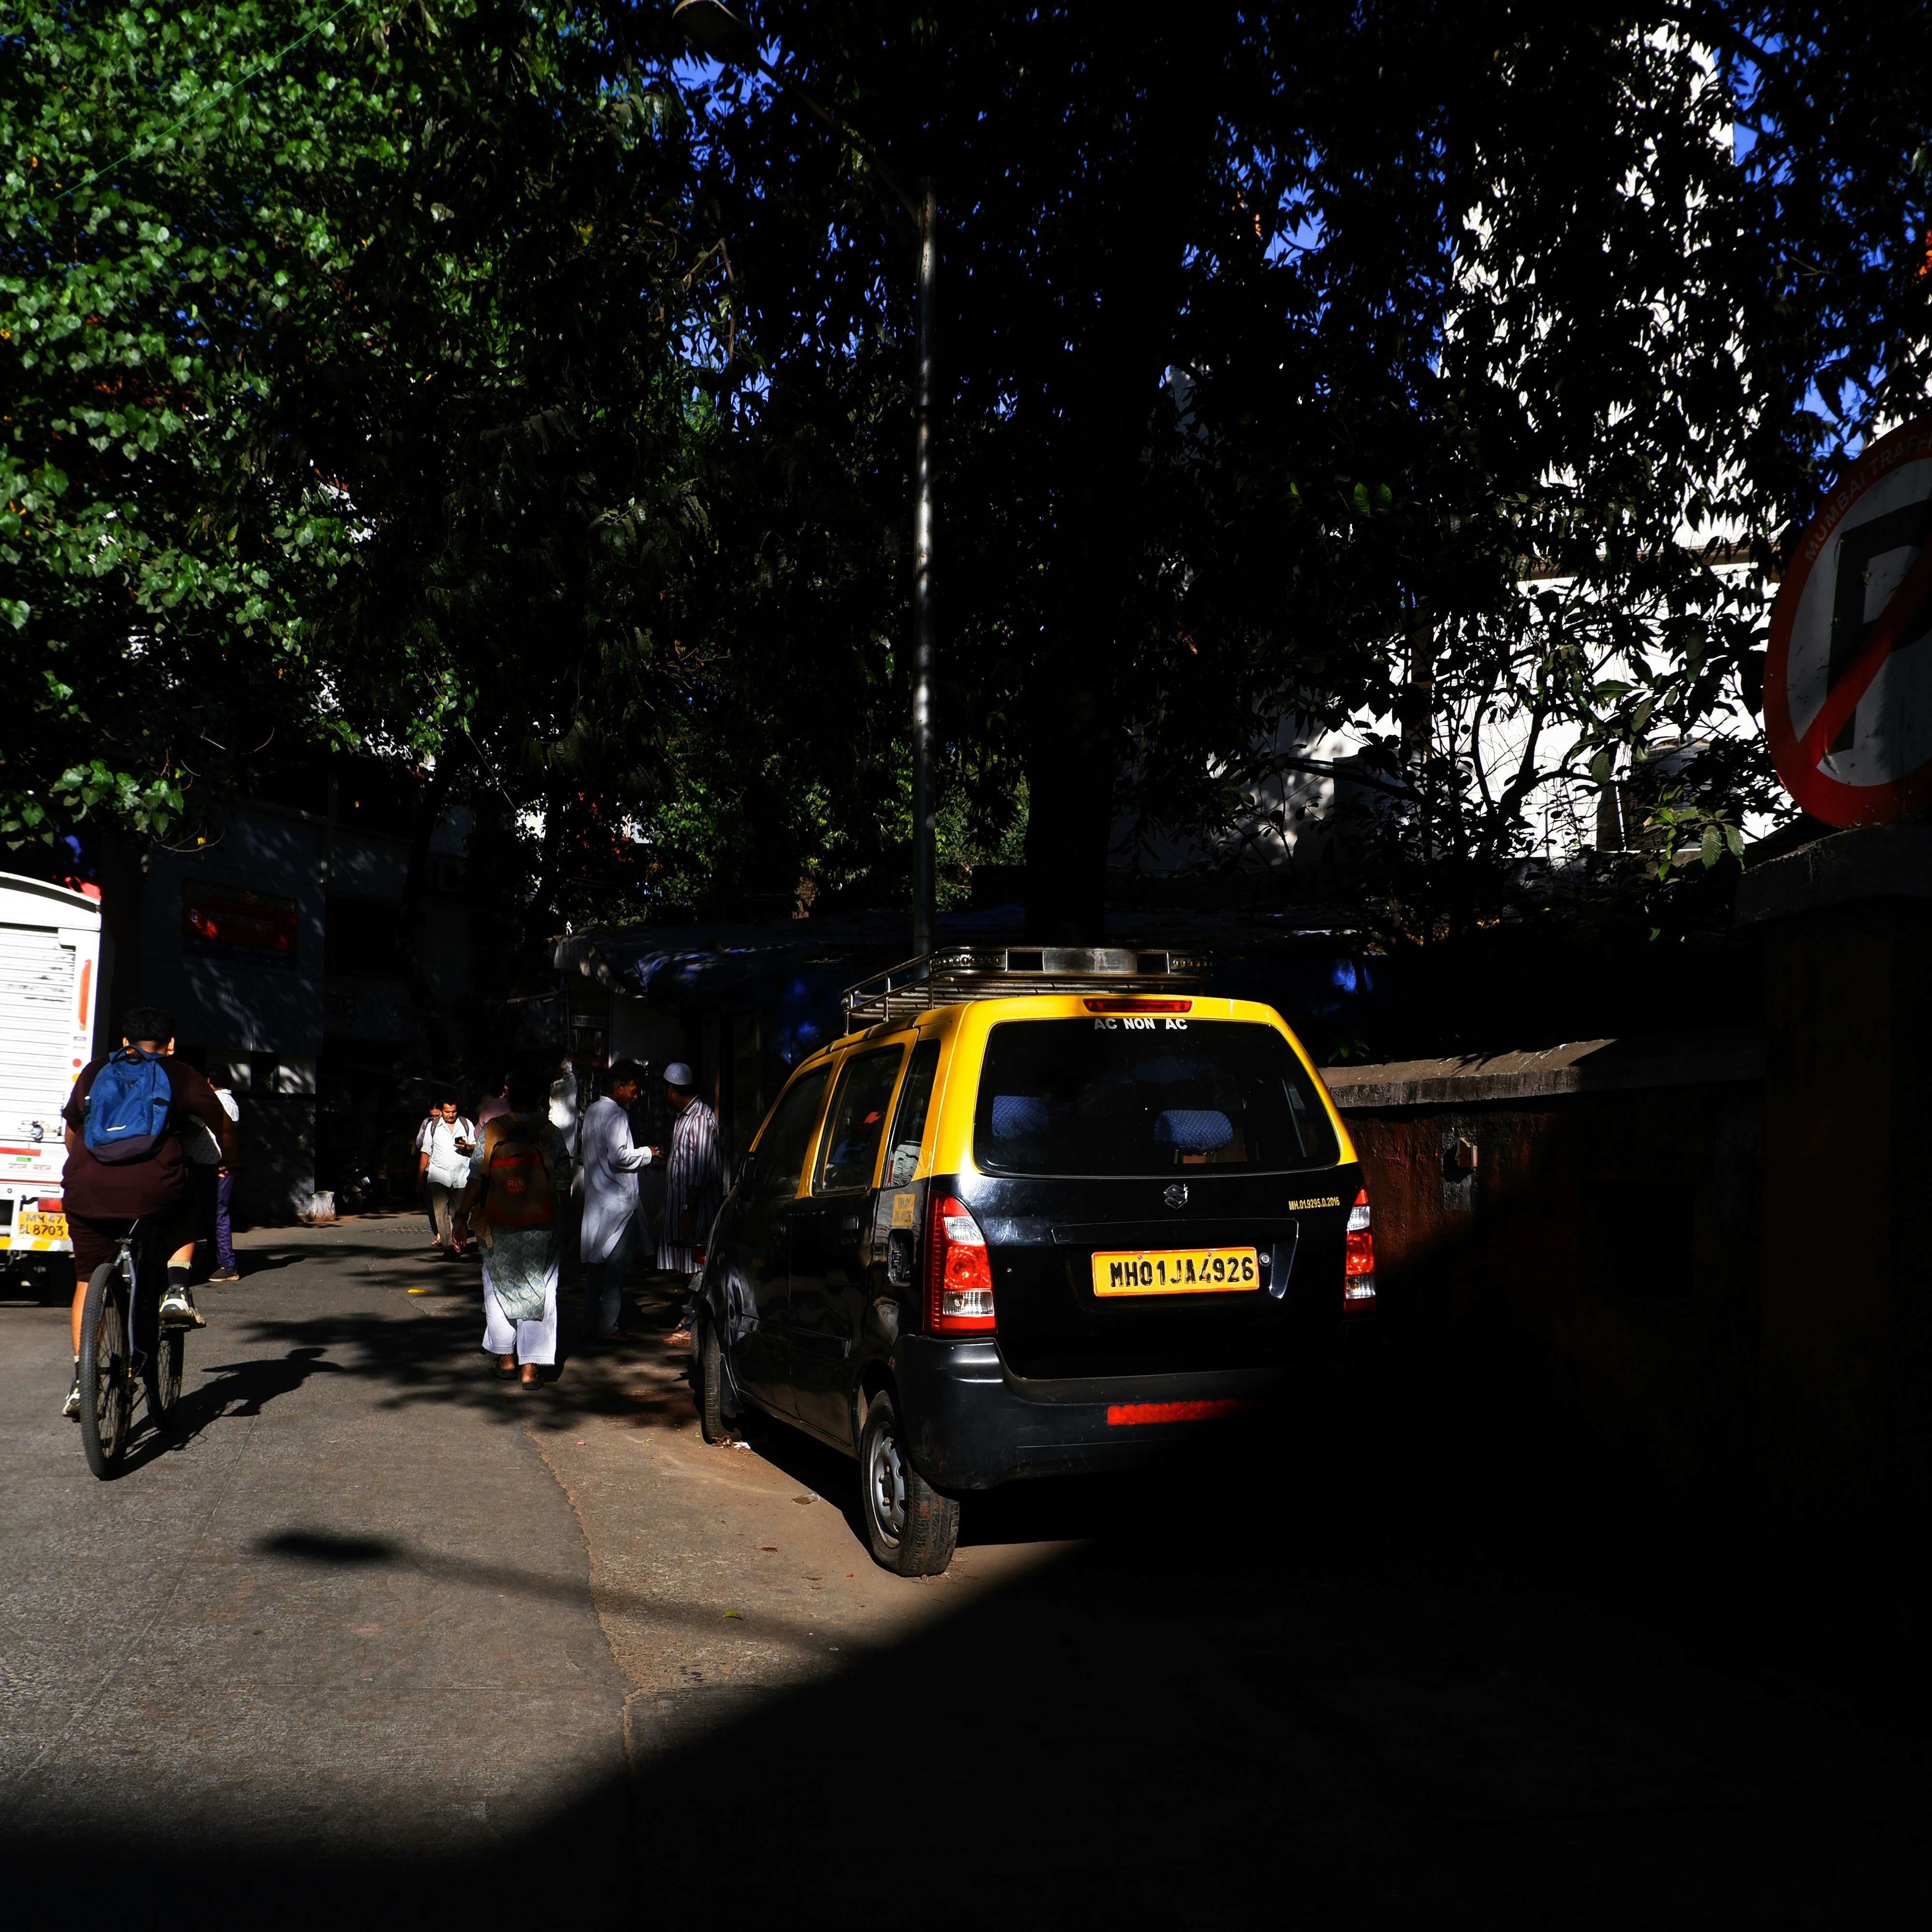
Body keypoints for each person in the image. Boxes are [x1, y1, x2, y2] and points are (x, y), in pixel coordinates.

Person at [58, 1006, 236, 1417]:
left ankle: (83, 1382)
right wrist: (230, 1160)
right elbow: (221, 1123)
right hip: (153, 1189)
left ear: (124, 1042)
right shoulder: (180, 1074)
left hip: (86, 1189)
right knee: (185, 1204)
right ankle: (176, 1290)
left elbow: (72, 1131)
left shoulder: (95, 1070)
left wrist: (89, 1166)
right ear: (171, 1045)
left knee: (87, 1278)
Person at [460, 1067, 569, 1388]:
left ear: (508, 1096)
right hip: (543, 1226)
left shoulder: (494, 1130)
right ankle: (530, 1371)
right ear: (539, 1098)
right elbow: (563, 1186)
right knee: (541, 1292)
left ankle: (506, 1360)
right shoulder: (550, 1134)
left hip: (499, 1225)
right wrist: (567, 1225)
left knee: (497, 1288)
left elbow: (475, 1178)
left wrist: (460, 1218)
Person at [578, 1060, 660, 1342]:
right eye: (634, 1091)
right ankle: (608, 1328)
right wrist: (648, 1153)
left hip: (599, 1202)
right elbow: (620, 1156)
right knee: (616, 1269)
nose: (636, 1097)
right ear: (619, 1087)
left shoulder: (592, 1111)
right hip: (618, 1206)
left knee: (596, 1267)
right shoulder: (616, 1115)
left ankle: (590, 1323)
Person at [659, 1062, 726, 1350]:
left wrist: (688, 1208)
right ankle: (690, 1318)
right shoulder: (684, 1116)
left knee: (699, 1267)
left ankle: (693, 1324)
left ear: (672, 1090)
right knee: (689, 1268)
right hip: (685, 1207)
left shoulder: (700, 1118)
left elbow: (698, 1169)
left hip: (696, 1209)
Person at [182, 1070, 242, 1283]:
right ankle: (215, 1261)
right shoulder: (231, 1102)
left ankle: (227, 1264)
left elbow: (192, 1130)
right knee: (214, 1215)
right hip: (221, 1165)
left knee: (217, 1215)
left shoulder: (212, 1102)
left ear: (209, 1082)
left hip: (213, 1167)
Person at [415, 1095, 475, 1258]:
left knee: (459, 1213)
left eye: (454, 1111)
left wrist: (467, 1147)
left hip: (461, 1177)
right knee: (441, 1213)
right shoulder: (433, 1127)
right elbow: (426, 1152)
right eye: (448, 1112)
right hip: (438, 1176)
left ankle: (459, 1242)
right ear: (442, 1111)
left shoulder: (466, 1124)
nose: (451, 1115)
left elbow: (477, 1146)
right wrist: (420, 1177)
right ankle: (450, 1248)